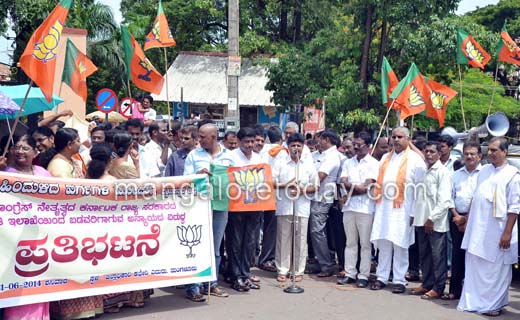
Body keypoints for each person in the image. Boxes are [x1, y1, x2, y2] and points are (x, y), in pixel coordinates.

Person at [458, 137, 519, 316]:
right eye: (489, 150)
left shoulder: (512, 175)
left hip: (499, 230)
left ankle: (493, 305)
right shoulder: (484, 170)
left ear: (505, 152)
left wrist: (507, 232)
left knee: (496, 270)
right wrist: (467, 222)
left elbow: (515, 207)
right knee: (476, 266)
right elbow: (476, 198)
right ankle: (475, 302)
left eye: (495, 150)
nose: (490, 153)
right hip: (478, 229)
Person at [47, 129, 103, 319]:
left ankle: (86, 308)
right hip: (68, 224)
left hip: (81, 222)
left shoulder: (73, 160)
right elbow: (67, 195)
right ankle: (71, 312)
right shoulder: (58, 166)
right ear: (70, 144)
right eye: (78, 140)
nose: (82, 143)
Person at [370, 127, 426, 293]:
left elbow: (420, 190)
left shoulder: (416, 161)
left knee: (400, 245)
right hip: (383, 209)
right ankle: (381, 277)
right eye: (393, 136)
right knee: (384, 242)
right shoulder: (385, 158)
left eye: (400, 137)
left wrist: (414, 213)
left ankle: (399, 280)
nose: (396, 139)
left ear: (408, 139)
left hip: (404, 210)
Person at [2, 135, 51, 320]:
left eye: (25, 148)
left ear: (34, 151)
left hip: (41, 236)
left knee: (39, 279)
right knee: (18, 281)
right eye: (17, 147)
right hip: (13, 238)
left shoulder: (42, 172)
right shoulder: (7, 172)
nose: (20, 151)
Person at [183, 123, 231, 297]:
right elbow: (185, 180)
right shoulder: (193, 156)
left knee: (215, 247)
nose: (199, 140)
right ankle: (193, 287)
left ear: (214, 136)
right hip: (199, 206)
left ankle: (211, 283)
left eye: (203, 137)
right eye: (198, 136)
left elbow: (236, 178)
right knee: (197, 246)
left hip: (221, 204)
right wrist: (198, 175)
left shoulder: (229, 156)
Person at [273, 133, 318, 282]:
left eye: (299, 145)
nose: (296, 148)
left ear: (303, 147)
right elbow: (272, 182)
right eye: (293, 145)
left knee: (300, 239)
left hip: (302, 206)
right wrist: (285, 186)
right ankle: (282, 269)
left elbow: (315, 186)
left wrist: (302, 191)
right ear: (288, 146)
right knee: (283, 238)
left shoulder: (308, 164)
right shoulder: (281, 162)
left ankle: (298, 270)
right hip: (284, 206)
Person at [410, 142, 452, 300]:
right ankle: (426, 284)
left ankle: (438, 288)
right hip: (421, 219)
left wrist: (431, 219)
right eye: (426, 151)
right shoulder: (422, 170)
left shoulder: (442, 172)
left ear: (439, 154)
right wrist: (415, 215)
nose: (428, 154)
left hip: (435, 223)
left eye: (432, 152)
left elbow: (444, 201)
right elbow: (418, 196)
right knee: (425, 255)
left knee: (438, 257)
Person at [337, 132, 379, 287]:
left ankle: (364, 275)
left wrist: (351, 189)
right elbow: (343, 182)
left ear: (368, 146)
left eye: (358, 144)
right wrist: (356, 187)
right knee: (350, 242)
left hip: (365, 208)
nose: (355, 147)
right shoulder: (348, 163)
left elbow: (366, 188)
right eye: (354, 144)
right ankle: (350, 273)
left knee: (365, 244)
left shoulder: (374, 163)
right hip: (348, 208)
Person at [442, 141, 482, 301]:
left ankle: (472, 291)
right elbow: (449, 196)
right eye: (466, 153)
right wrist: (457, 216)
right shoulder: (456, 174)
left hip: (477, 219)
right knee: (457, 255)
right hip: (457, 218)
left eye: (473, 154)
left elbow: (479, 199)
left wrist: (467, 219)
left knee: (474, 255)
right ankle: (455, 290)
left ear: (480, 156)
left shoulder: (484, 173)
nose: (469, 156)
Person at [227, 127, 264, 291]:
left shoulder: (258, 158)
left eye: (252, 141)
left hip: (255, 205)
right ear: (239, 142)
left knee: (250, 241)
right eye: (246, 142)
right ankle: (236, 276)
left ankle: (245, 274)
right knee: (236, 241)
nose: (250, 145)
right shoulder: (230, 157)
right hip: (236, 206)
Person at [309, 129, 342, 277]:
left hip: (323, 197)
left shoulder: (333, 157)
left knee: (317, 230)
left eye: (320, 139)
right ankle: (320, 261)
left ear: (327, 140)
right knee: (315, 231)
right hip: (312, 196)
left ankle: (326, 264)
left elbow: (319, 176)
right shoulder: (318, 155)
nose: (318, 142)